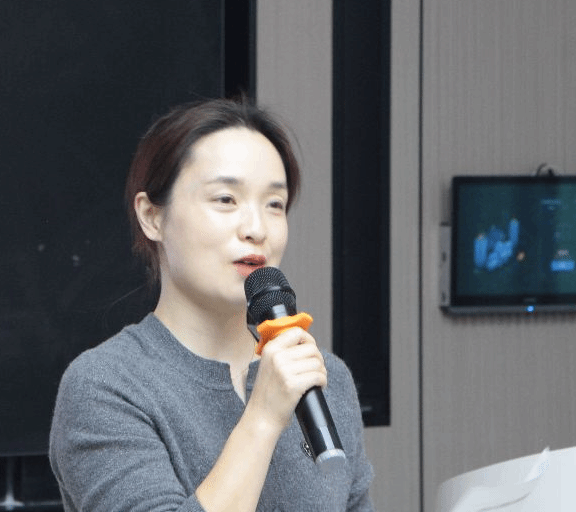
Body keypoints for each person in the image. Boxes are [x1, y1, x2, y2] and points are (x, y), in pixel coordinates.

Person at [49, 97, 374, 511]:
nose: (256, 228)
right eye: (225, 199)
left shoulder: (325, 378)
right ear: (152, 216)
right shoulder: (105, 387)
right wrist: (263, 417)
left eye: (274, 204)